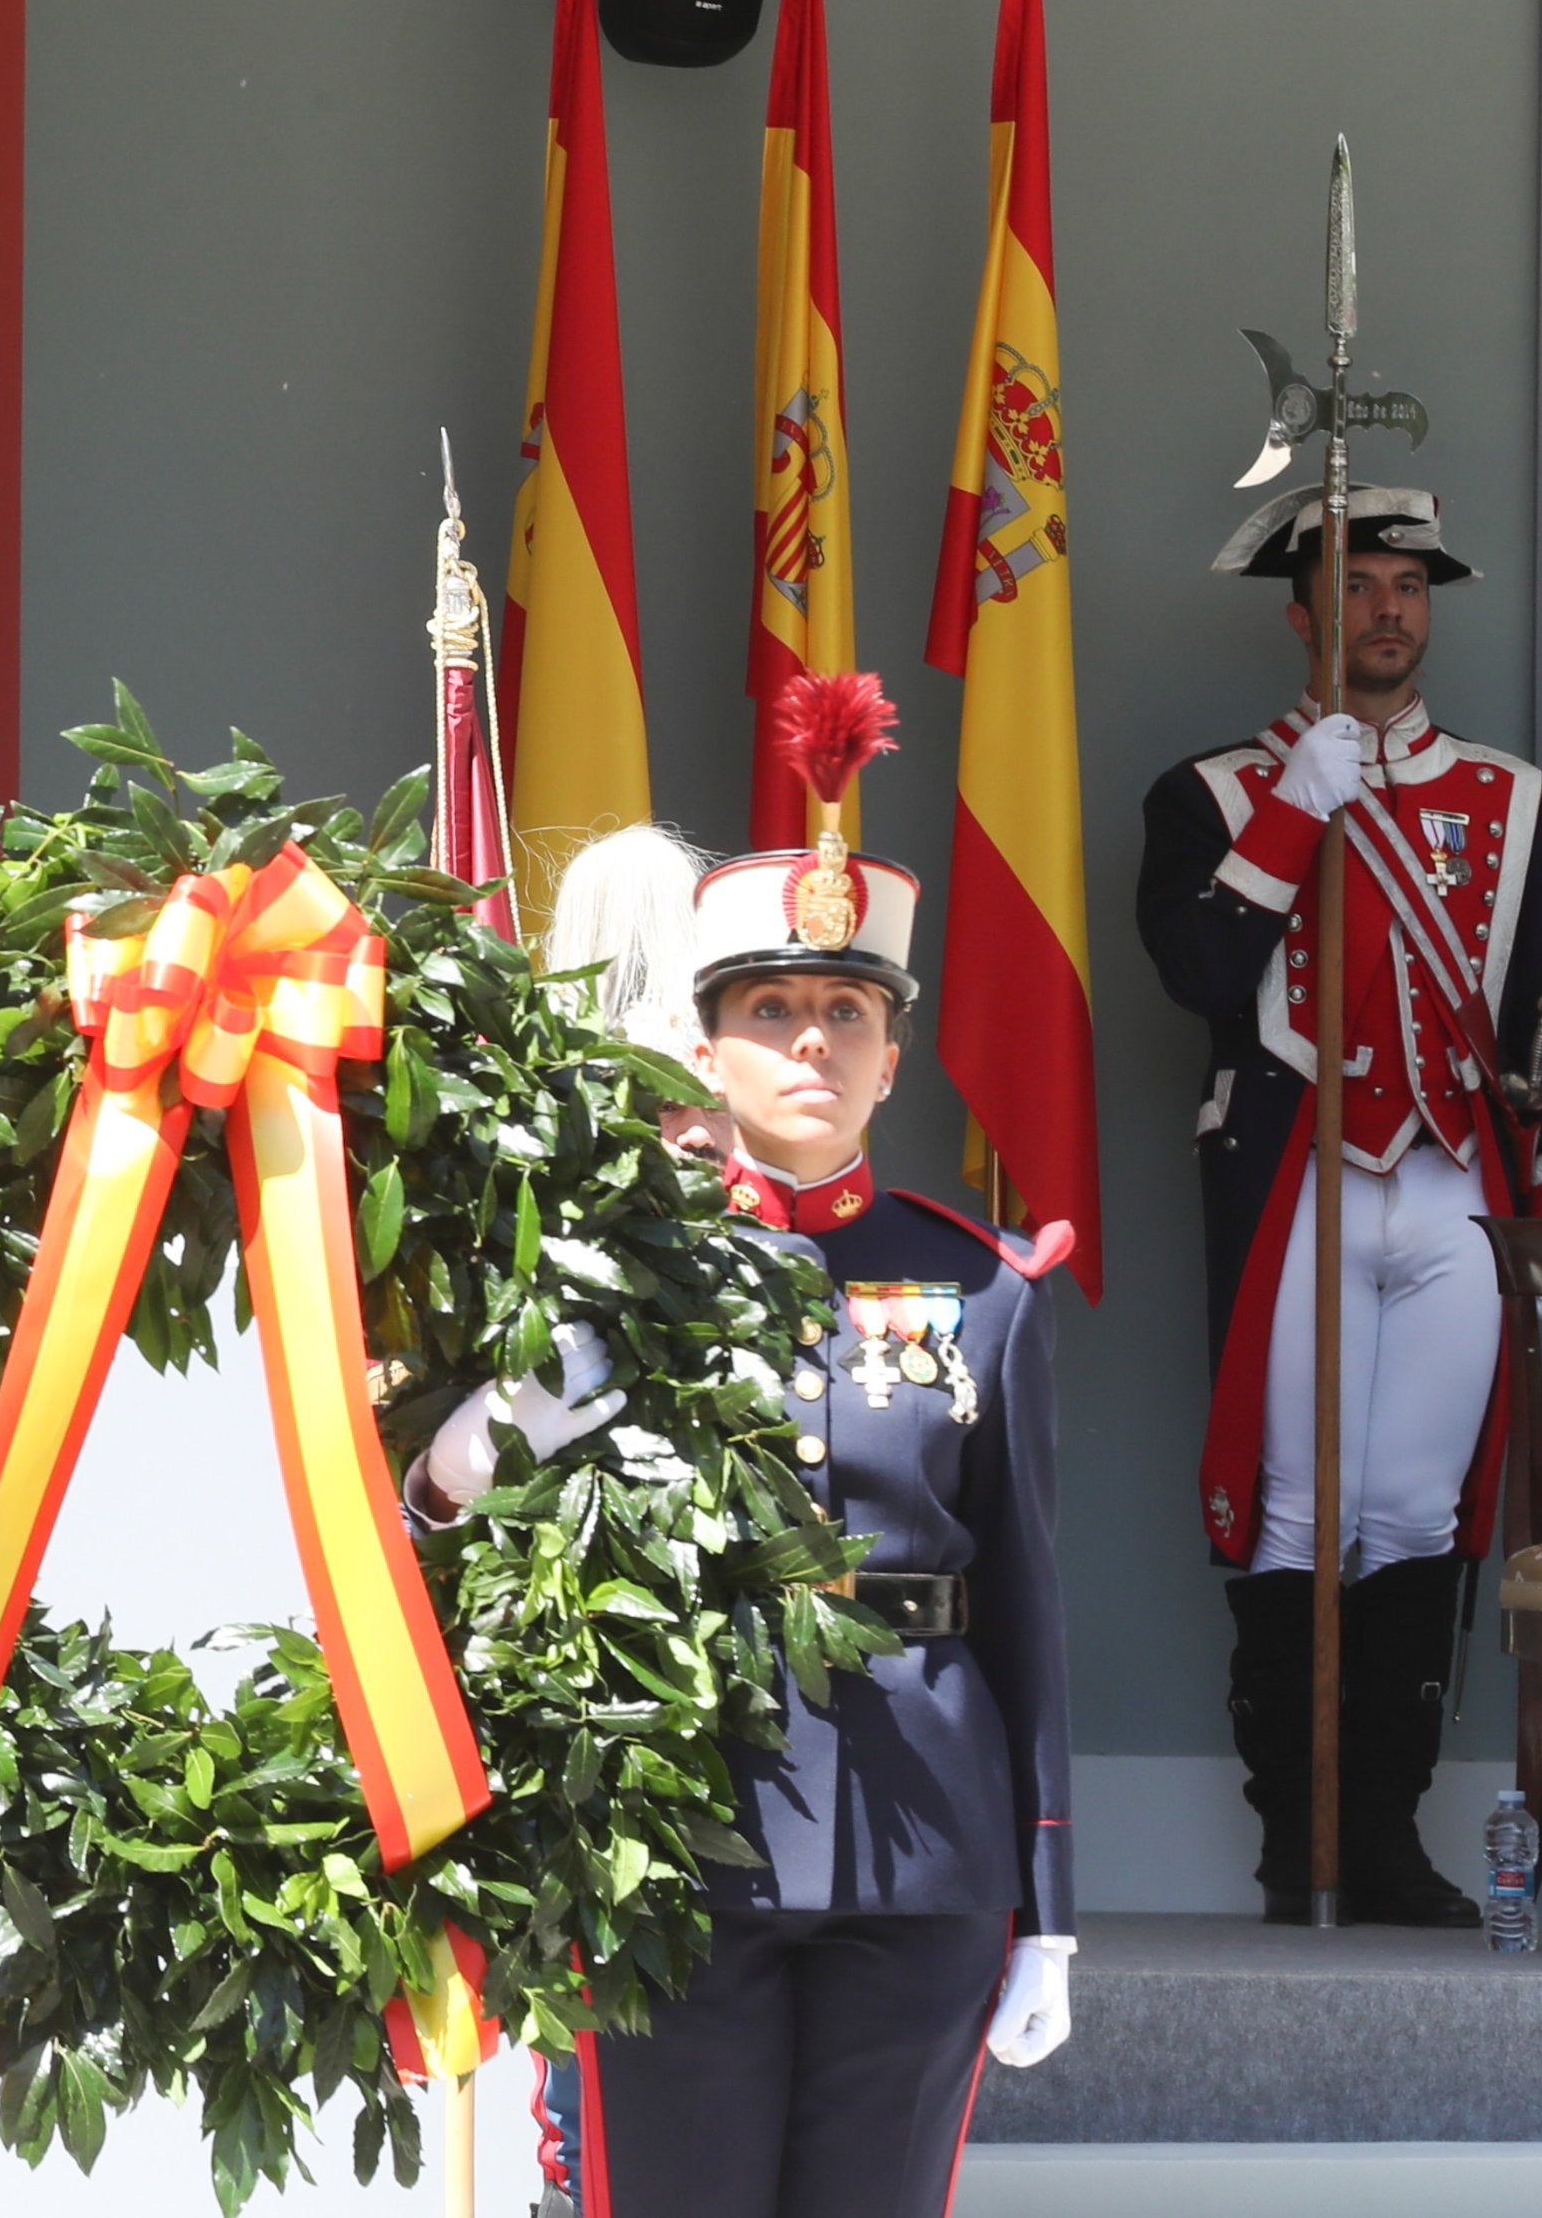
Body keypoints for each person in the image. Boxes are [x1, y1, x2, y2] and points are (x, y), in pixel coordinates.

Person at [469, 689, 1073, 2218]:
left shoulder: (987, 1287)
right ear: (704, 1041)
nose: (813, 1041)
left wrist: (1049, 1903)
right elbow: (468, 1549)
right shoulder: (609, 1266)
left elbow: (1027, 1610)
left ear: (893, 1054)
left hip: (922, 1848)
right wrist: (487, 1438)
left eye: (848, 1013)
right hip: (671, 1837)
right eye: (773, 1010)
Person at [1135, 486, 1542, 1925]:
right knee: (1287, 1509)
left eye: (1407, 585)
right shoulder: (1207, 792)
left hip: (1455, 1181)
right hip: (1299, 1183)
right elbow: (1201, 974)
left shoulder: (1511, 798)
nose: (1387, 607)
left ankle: (1381, 1834)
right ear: (1303, 614)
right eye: (1359, 584)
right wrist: (1292, 808)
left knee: (1414, 1507)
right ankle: (1296, 1841)